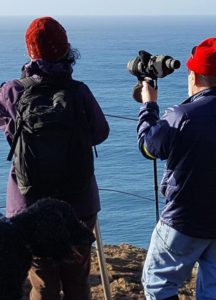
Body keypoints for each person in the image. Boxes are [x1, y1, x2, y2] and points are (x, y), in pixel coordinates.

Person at [137, 37, 216, 300]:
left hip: (183, 220)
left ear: (193, 74)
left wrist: (149, 105)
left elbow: (148, 147)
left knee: (158, 283)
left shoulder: (179, 116)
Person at [0, 16, 109, 300]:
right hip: (79, 203)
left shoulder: (12, 90)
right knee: (77, 281)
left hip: (28, 204)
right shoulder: (79, 91)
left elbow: (10, 132)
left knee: (43, 284)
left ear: (30, 52)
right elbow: (100, 133)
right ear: (66, 50)